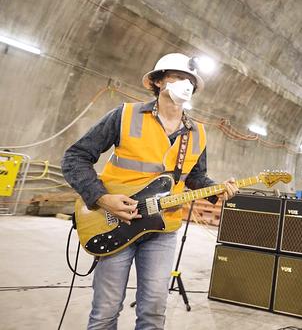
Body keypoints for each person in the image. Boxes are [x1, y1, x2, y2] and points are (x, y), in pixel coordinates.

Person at [62, 53, 238, 329]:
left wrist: (217, 190)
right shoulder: (125, 115)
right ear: (158, 81)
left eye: (190, 80)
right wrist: (101, 198)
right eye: (178, 77)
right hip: (116, 221)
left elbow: (194, 177)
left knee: (154, 312)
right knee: (105, 311)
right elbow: (75, 157)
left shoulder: (198, 133)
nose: (186, 84)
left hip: (163, 229)